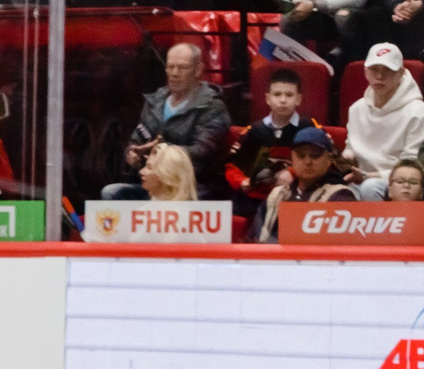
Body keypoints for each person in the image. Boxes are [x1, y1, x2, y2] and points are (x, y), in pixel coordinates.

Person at [101, 42, 229, 201]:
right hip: (153, 184)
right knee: (111, 192)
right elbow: (137, 140)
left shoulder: (212, 106)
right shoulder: (154, 101)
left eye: (182, 68)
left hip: (192, 186)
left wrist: (160, 152)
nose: (174, 73)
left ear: (198, 70)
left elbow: (203, 151)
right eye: (170, 67)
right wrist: (132, 153)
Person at [342, 43, 424, 196]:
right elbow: (350, 146)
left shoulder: (418, 111)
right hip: (358, 177)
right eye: (374, 69)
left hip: (397, 181)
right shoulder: (356, 109)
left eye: (387, 70)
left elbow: (412, 166)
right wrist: (347, 158)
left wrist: (368, 177)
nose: (379, 76)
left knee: (370, 187)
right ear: (366, 72)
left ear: (401, 73)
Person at [224, 71, 310, 209]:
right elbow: (231, 166)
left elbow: (327, 160)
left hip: (298, 195)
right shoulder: (253, 131)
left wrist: (293, 172)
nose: (283, 100)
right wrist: (242, 181)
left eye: (289, 95)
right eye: (277, 94)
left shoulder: (309, 129)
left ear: (299, 99)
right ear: (267, 98)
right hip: (258, 198)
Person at [259, 127, 360, 238]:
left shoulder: (339, 196)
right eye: (301, 155)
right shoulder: (277, 194)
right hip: (270, 254)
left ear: (329, 160)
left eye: (315, 155)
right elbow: (253, 238)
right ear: (292, 159)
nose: (307, 162)